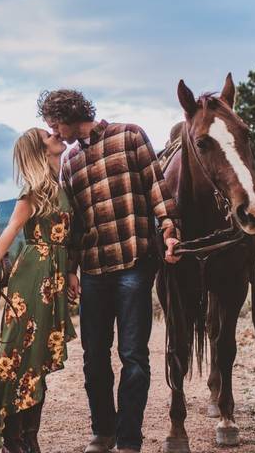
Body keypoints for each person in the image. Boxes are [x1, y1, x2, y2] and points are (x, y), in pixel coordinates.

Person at [39, 89, 181, 453]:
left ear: (68, 115)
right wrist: (70, 269)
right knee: (94, 357)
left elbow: (157, 187)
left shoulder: (130, 135)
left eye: (53, 122)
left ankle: (129, 440)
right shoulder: (69, 162)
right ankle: (103, 430)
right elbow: (72, 223)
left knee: (133, 355)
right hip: (93, 270)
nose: (52, 129)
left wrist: (168, 231)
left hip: (134, 263)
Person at [0, 127, 77, 453]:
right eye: (48, 135)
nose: (56, 134)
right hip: (34, 277)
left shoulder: (61, 186)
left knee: (38, 358)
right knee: (18, 355)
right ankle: (10, 435)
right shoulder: (33, 193)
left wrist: (71, 273)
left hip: (56, 278)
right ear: (40, 150)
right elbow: (10, 231)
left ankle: (28, 437)